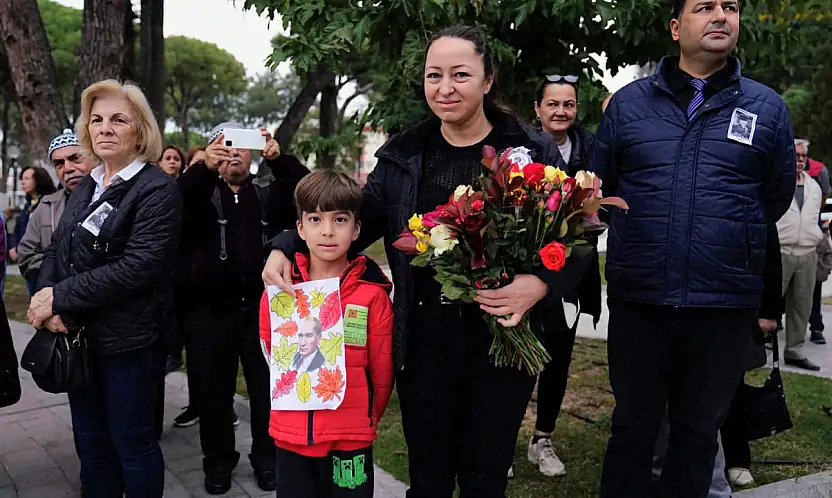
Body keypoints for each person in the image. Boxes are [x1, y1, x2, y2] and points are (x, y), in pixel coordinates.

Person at [262, 25, 595, 498]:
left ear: (487, 80)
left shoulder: (530, 152)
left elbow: (579, 239)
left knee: (485, 480)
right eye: (433, 74)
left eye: (460, 74)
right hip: (423, 350)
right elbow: (351, 220)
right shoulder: (404, 156)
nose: (445, 87)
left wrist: (539, 283)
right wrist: (286, 244)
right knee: (429, 481)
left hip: (503, 347)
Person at [593, 0, 796, 495]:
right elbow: (599, 189)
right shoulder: (629, 105)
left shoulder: (766, 108)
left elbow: (772, 197)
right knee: (632, 430)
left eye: (730, 6)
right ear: (675, 26)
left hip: (722, 305)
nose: (721, 16)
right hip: (640, 300)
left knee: (698, 436)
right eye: (705, 6)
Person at [26, 79, 182, 498]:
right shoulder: (90, 183)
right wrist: (49, 302)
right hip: (79, 339)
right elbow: (58, 248)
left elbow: (138, 267)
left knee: (132, 444)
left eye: (118, 119)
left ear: (141, 131)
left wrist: (61, 297)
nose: (105, 128)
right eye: (96, 120)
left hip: (129, 345)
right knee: (91, 443)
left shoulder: (156, 188)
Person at [177, 120, 309, 494]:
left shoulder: (269, 191)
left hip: (264, 308)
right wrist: (202, 170)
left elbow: (309, 193)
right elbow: (175, 204)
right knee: (212, 391)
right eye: (224, 144)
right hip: (208, 310)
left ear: (254, 151)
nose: (233, 152)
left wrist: (281, 160)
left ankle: (268, 460)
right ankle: (217, 462)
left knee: (268, 390)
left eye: (241, 145)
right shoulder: (200, 190)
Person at [261, 169, 394, 498]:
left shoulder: (372, 295)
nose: (328, 231)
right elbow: (270, 351)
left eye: (340, 220)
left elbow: (382, 368)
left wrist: (365, 418)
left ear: (356, 228)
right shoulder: (279, 292)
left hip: (351, 439)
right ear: (300, 228)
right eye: (316, 219)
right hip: (292, 436)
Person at [525, 73, 601, 477]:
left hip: (572, 274)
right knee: (518, 358)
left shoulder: (590, 149)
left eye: (568, 104)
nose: (560, 111)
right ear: (537, 109)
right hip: (525, 272)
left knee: (557, 357)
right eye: (552, 103)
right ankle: (501, 439)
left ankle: (542, 438)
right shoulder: (520, 148)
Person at [18, 129, 95, 299]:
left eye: (75, 158)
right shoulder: (45, 206)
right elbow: (26, 255)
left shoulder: (111, 199)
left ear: (94, 158)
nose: (67, 168)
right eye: (59, 164)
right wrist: (57, 276)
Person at [777, 142, 824, 371]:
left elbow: (815, 218)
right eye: (796, 155)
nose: (800, 160)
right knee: (769, 301)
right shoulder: (777, 182)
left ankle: (794, 350)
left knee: (801, 306)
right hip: (781, 250)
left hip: (807, 253)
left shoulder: (814, 186)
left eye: (803, 156)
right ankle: (754, 348)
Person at [11, 165, 57, 294]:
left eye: (26, 178)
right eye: (22, 179)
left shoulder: (50, 203)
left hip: (44, 262)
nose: (23, 182)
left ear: (39, 180)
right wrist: (14, 245)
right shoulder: (28, 204)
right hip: (29, 261)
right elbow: (19, 227)